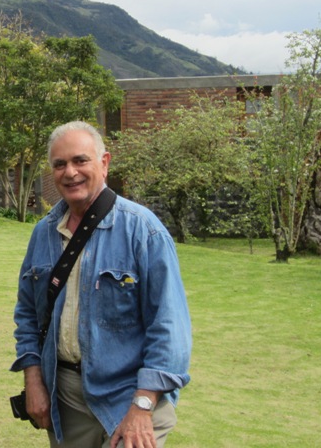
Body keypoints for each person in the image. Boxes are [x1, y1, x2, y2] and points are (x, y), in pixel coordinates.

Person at [12, 121, 192, 448]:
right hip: (65, 398)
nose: (70, 172)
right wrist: (34, 378)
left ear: (104, 163)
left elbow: (169, 328)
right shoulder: (43, 233)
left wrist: (143, 405)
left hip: (130, 395)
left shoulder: (143, 231)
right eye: (60, 164)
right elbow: (27, 315)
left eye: (81, 160)